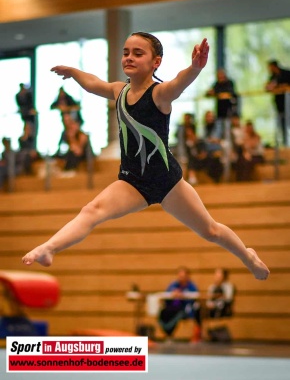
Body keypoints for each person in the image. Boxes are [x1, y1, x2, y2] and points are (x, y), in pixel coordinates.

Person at [22, 32, 269, 283]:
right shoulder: (119, 91)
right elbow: (95, 82)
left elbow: (178, 83)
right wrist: (75, 72)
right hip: (132, 182)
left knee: (211, 231)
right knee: (91, 211)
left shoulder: (159, 94)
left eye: (138, 53)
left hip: (167, 182)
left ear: (156, 62)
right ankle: (50, 248)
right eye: (126, 52)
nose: (129, 57)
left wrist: (195, 68)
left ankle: (247, 256)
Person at [158, 266, 201, 342]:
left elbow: (195, 297)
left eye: (183, 276)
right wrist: (173, 294)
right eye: (180, 276)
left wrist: (183, 295)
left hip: (184, 309)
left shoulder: (191, 286)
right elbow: (167, 294)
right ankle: (167, 332)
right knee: (163, 312)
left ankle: (169, 334)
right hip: (173, 308)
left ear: (187, 276)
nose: (181, 278)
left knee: (178, 315)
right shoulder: (174, 285)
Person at [266, 60, 290, 145]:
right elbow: (267, 88)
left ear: (274, 66)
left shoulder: (287, 73)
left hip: (288, 103)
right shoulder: (273, 77)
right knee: (282, 124)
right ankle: (285, 143)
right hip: (279, 105)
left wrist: (283, 86)